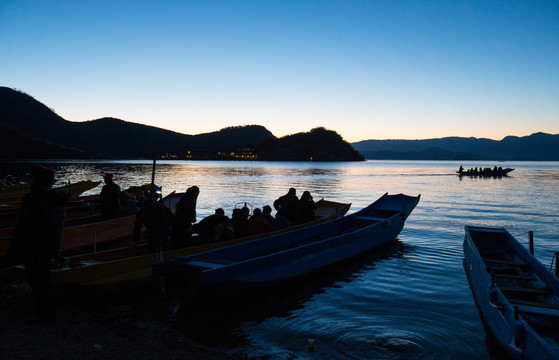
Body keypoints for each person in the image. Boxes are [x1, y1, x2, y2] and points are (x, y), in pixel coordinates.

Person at [10, 165, 67, 324]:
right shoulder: (53, 198)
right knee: (42, 278)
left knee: (37, 279)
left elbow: (26, 224)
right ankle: (46, 312)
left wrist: (16, 246)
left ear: (38, 180)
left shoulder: (35, 199)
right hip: (48, 245)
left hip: (35, 244)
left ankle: (45, 314)